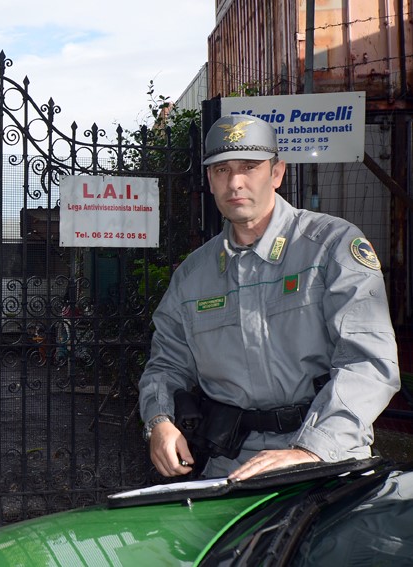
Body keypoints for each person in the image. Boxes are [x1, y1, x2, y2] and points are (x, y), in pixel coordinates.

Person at [138, 114, 400, 481]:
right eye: (221, 170)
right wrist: (159, 420)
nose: (236, 182)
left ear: (277, 173)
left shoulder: (332, 247)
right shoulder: (192, 278)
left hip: (329, 458)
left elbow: (369, 363)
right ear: (210, 182)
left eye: (250, 166)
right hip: (229, 464)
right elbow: (166, 364)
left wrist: (309, 448)